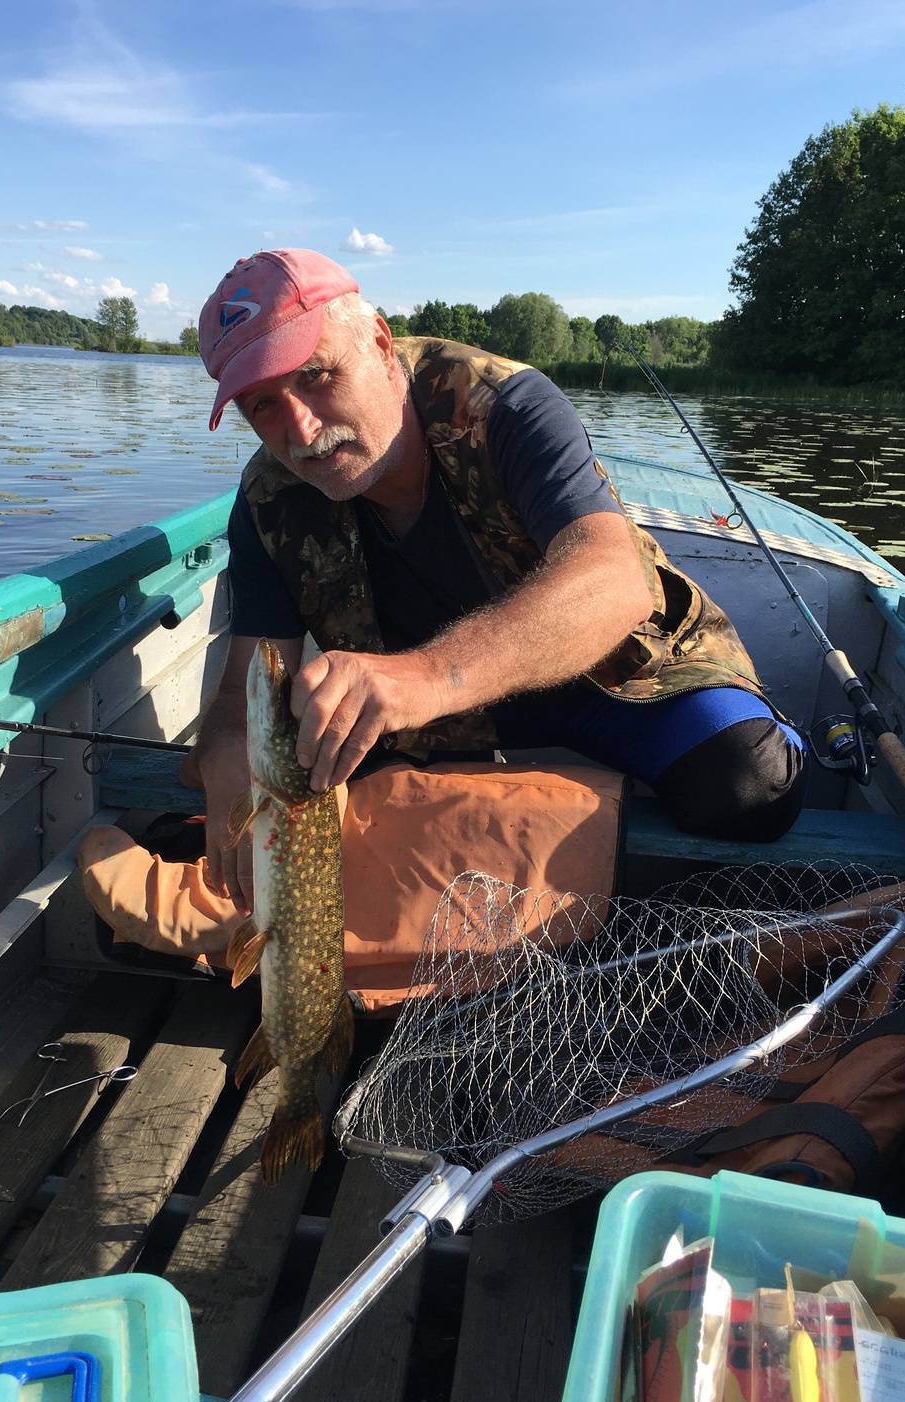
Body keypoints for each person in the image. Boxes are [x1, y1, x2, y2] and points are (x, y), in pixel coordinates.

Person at [188, 248, 805, 911]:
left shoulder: (504, 402)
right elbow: (244, 693)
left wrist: (423, 678)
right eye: (263, 405)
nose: (301, 429)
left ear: (379, 342)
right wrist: (228, 759)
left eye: (315, 375)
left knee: (749, 782)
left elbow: (613, 580)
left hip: (606, 675)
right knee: (335, 800)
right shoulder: (268, 498)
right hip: (433, 723)